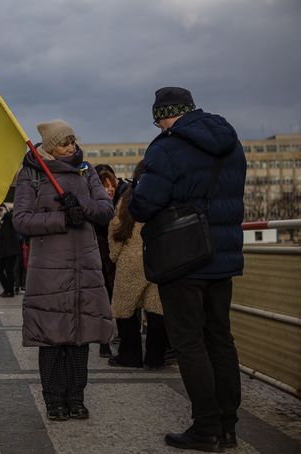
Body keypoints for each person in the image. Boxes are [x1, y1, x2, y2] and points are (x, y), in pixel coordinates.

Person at [129, 87, 246, 452]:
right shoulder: (231, 142)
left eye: (157, 118)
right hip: (222, 257)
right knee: (221, 340)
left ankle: (206, 428)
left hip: (183, 259)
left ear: (163, 115)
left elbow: (142, 207)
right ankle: (228, 427)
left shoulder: (166, 147)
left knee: (190, 343)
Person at [13, 119, 115, 421]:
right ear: (49, 147)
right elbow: (21, 220)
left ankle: (76, 397)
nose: (71, 146)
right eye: (64, 142)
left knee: (79, 336)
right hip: (49, 270)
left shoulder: (87, 171)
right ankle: (54, 399)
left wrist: (80, 204)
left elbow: (105, 211)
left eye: (73, 140)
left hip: (84, 266)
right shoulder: (31, 174)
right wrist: (61, 219)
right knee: (52, 337)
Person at [107, 160, 167, 369]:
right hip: (157, 259)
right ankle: (155, 358)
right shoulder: (163, 195)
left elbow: (116, 229)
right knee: (156, 311)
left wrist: (115, 256)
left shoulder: (127, 198)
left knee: (126, 311)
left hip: (129, 260)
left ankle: (129, 356)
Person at [94, 167, 119, 358]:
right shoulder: (95, 209)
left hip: (116, 262)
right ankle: (104, 342)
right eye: (105, 186)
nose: (109, 189)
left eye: (112, 185)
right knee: (103, 303)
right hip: (100, 262)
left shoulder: (121, 205)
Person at [0, 204, 21, 297]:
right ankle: (7, 289)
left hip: (10, 250)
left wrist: (7, 211)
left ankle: (10, 291)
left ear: (2, 210)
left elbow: (12, 217)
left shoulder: (8, 218)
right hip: (0, 251)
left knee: (9, 271)